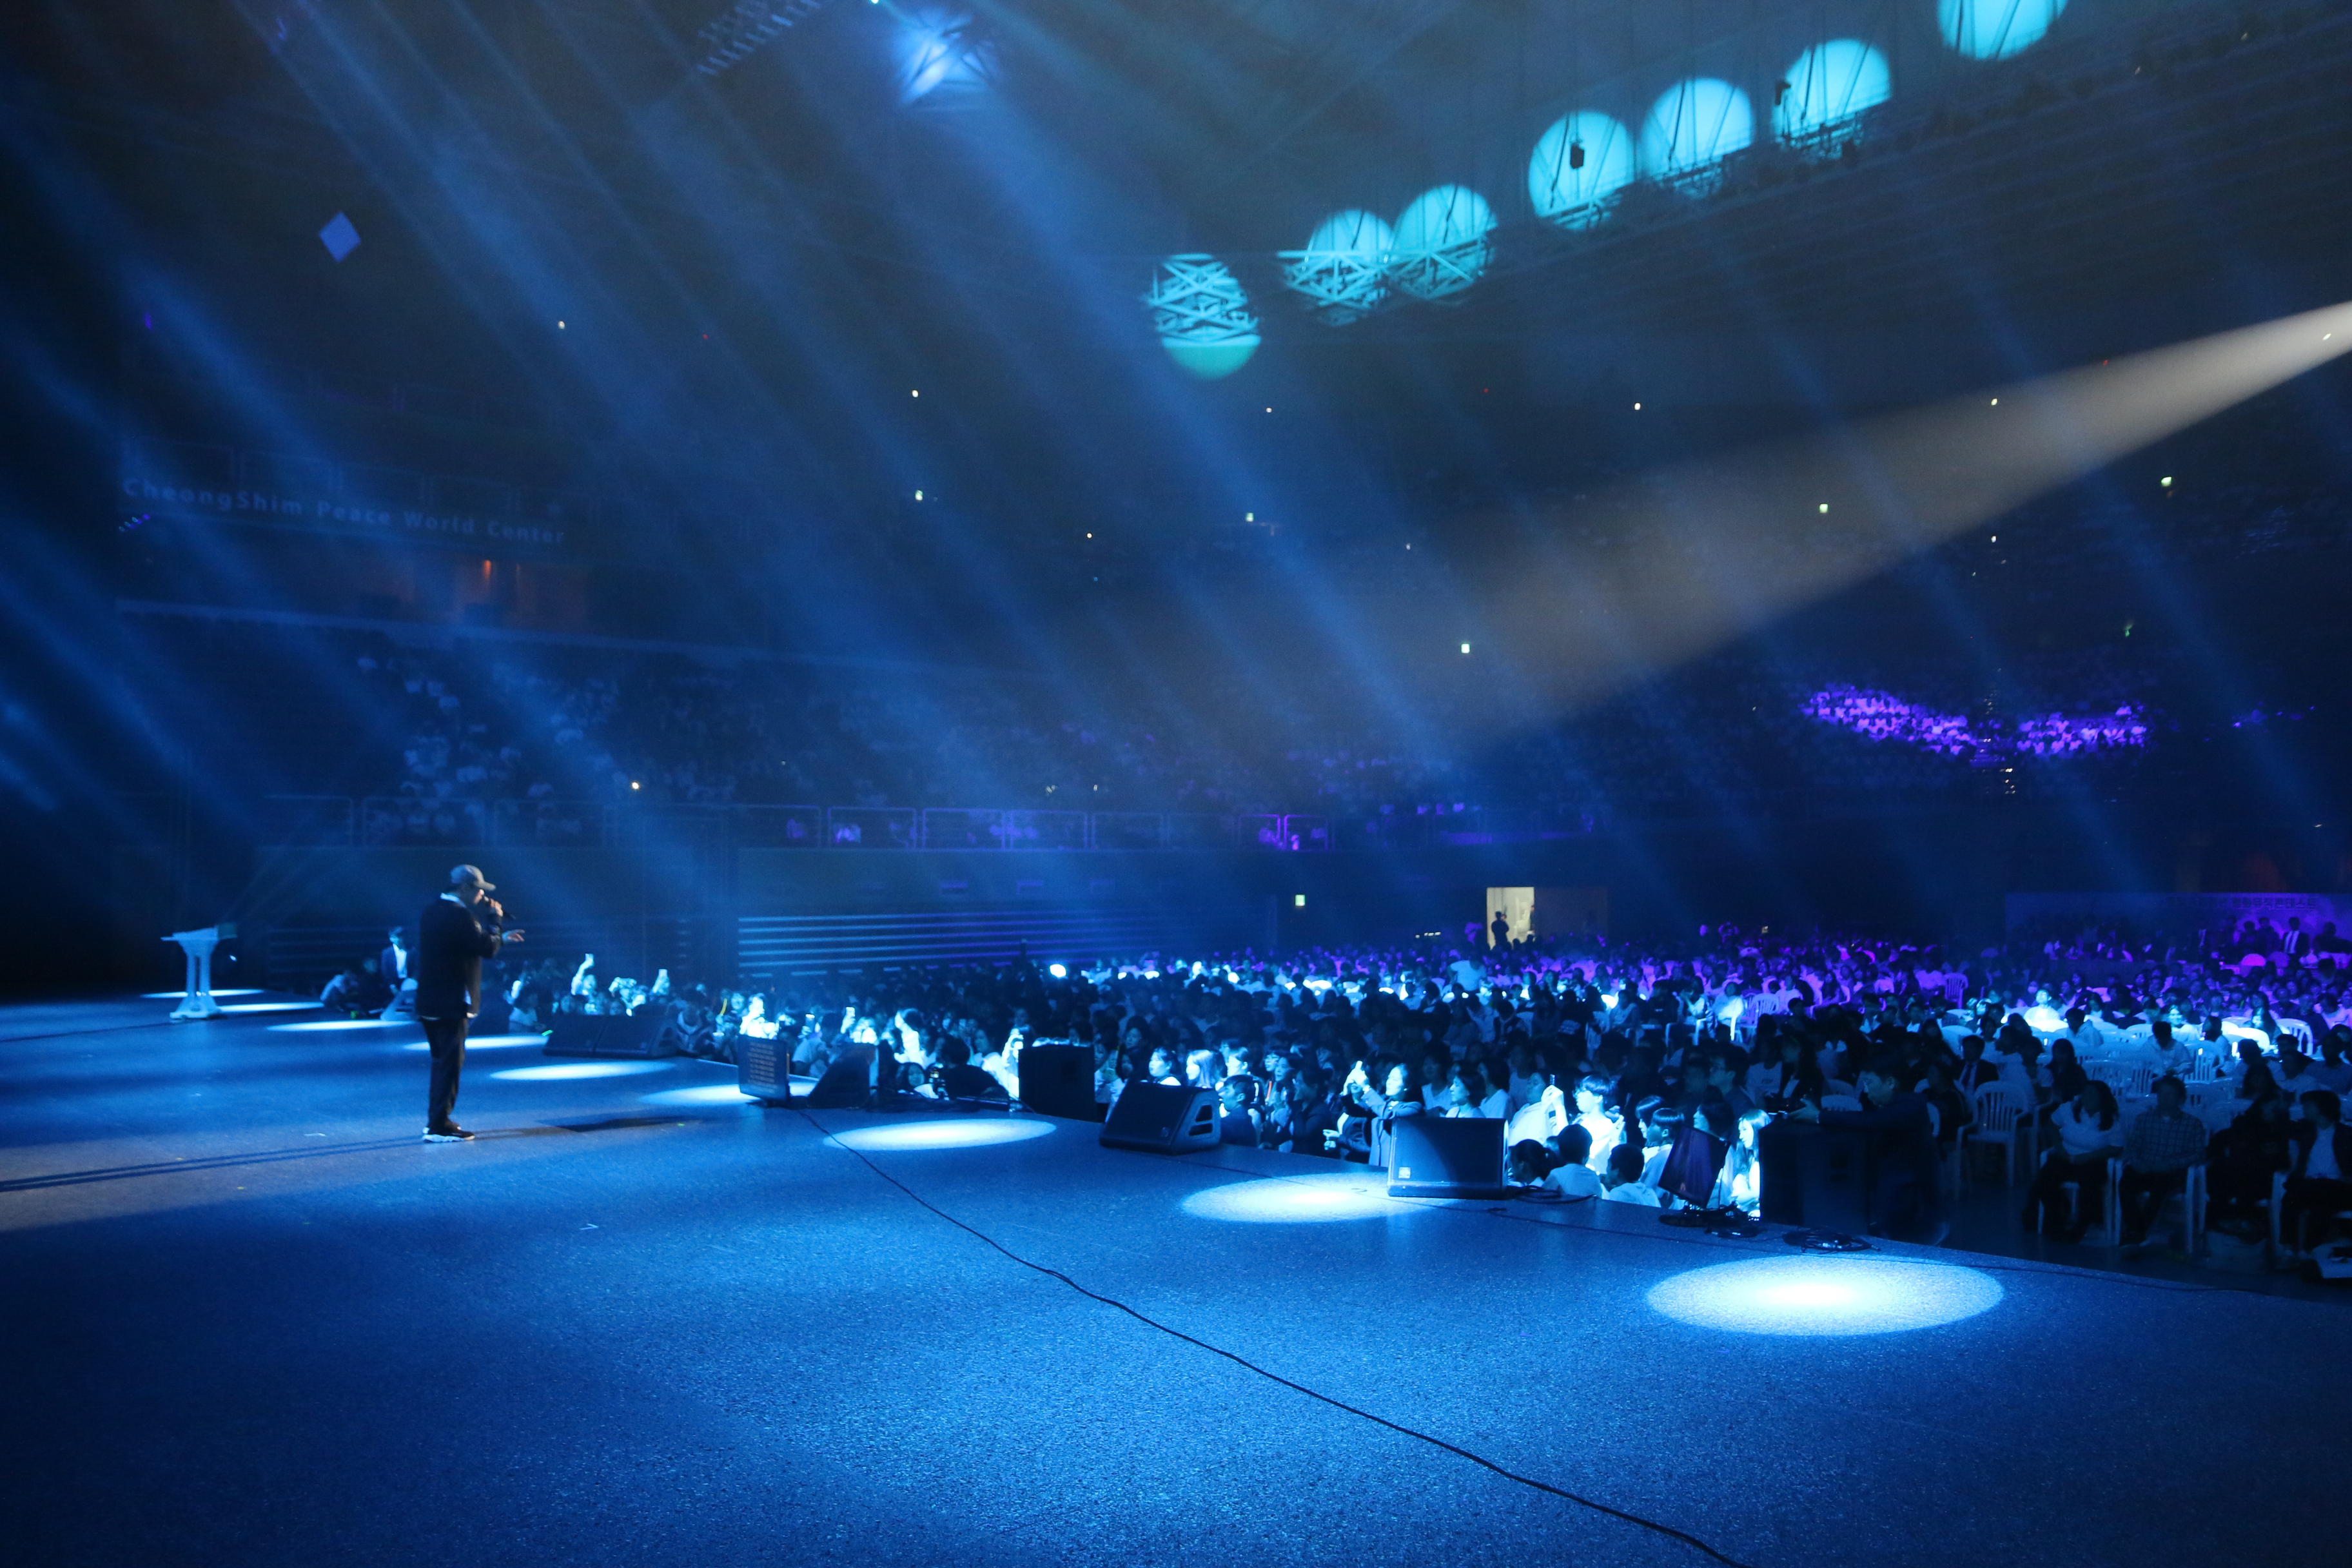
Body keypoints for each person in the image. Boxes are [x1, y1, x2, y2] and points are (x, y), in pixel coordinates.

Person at [415, 864, 523, 1142]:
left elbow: (466, 945)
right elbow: (486, 949)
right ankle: (439, 1126)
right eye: (479, 890)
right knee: (450, 1063)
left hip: (430, 999)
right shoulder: (460, 915)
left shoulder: (432, 911)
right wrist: (495, 921)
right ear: (464, 888)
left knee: (441, 1062)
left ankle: (437, 1120)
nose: (482, 896)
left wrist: (499, 940)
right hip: (452, 1000)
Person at [1792, 1059, 1945, 1244]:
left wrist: (1819, 1116)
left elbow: (1871, 1120)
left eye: (1869, 1083)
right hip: (1898, 1198)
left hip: (1915, 1211)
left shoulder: (1910, 1107)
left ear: (1890, 1083)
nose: (1866, 1090)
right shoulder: (1895, 1107)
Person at [2117, 1075, 2208, 1250]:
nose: (2164, 1098)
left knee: (2159, 1190)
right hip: (2145, 1166)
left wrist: (2170, 1164)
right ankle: (2137, 1232)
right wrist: (2137, 1162)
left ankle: (2136, 1233)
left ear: (2180, 1099)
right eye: (2161, 1093)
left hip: (2170, 1171)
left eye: (2169, 1094)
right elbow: (2133, 1146)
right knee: (2126, 1185)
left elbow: (2198, 1154)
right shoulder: (2144, 1119)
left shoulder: (2192, 1124)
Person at [2024, 1080, 2122, 1242]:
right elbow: (2051, 1124)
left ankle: (2081, 1227)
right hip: (2066, 1156)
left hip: (2093, 1160)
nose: (2087, 1097)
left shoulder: (2111, 1119)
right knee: (2045, 1179)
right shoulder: (2069, 1109)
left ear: (2102, 1098)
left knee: (2089, 1183)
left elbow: (2116, 1147)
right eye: (2086, 1093)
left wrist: (2089, 1156)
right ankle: (2055, 1220)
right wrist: (2058, 1146)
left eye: (2092, 1094)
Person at [2284, 1090, 2352, 1254]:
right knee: (2292, 1200)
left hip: (2337, 1184)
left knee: (2322, 1202)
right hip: (2310, 1183)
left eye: (2308, 1105)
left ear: (2322, 1108)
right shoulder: (2305, 1130)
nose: (2304, 1108)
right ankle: (2293, 1248)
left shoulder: (2346, 1134)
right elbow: (2280, 1127)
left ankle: (2307, 1249)